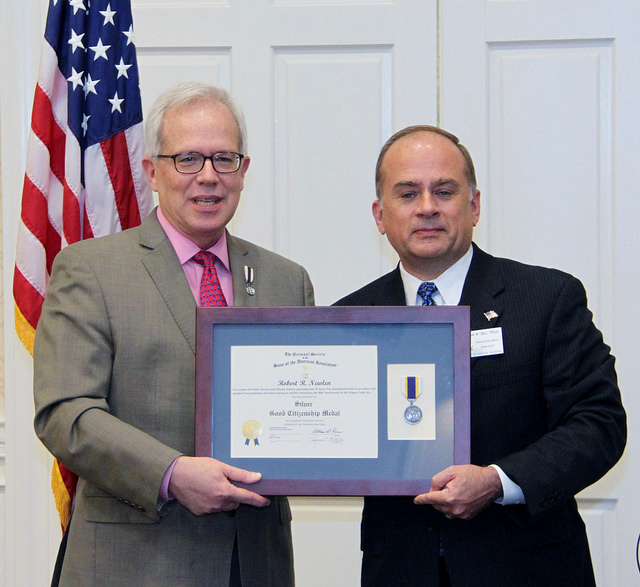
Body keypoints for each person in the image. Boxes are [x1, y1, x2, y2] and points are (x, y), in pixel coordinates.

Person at [33, 81, 314, 587]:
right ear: (152, 172)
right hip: (135, 563)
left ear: (244, 171)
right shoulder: (90, 269)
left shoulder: (285, 279)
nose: (208, 177)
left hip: (254, 564)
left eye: (224, 159)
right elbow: (66, 413)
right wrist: (171, 474)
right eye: (187, 159)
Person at [334, 125, 626, 587]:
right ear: (380, 214)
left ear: (473, 205)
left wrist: (498, 481)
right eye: (407, 193)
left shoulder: (547, 299)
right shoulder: (348, 319)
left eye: (444, 191)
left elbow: (598, 425)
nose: (427, 207)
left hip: (528, 567)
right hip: (401, 568)